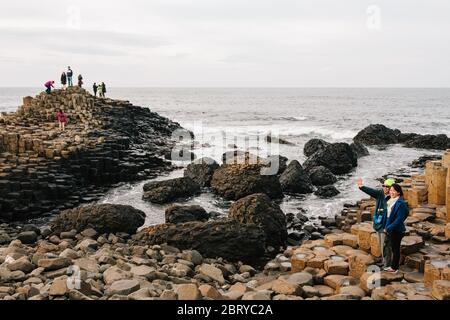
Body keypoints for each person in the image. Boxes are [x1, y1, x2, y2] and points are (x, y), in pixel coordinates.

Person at [357, 177, 396, 268]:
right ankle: (384, 261)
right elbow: (371, 191)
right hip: (379, 224)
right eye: (384, 186)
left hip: (387, 227)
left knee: (386, 246)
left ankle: (387, 265)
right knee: (381, 245)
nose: (385, 188)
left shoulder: (394, 199)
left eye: (388, 187)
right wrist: (361, 186)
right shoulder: (380, 193)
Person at [384, 184, 408, 273]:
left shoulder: (400, 203)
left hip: (397, 230)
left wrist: (388, 228)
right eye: (391, 190)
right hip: (392, 229)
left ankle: (394, 268)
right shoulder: (390, 200)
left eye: (394, 191)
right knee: (393, 248)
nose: (391, 192)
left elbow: (399, 218)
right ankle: (393, 266)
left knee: (395, 249)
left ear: (398, 192)